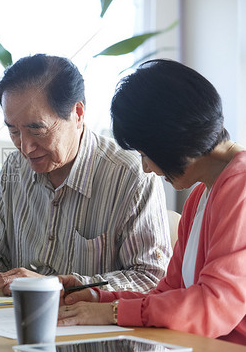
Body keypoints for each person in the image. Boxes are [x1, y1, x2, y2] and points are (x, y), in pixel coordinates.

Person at [0, 54, 172, 294]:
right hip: (12, 319)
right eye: (13, 131)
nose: (25, 147)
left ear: (78, 114)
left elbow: (150, 277)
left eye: (36, 130)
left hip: (91, 326)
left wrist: (55, 286)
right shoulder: (15, 166)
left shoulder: (130, 174)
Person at [56, 59, 246, 345]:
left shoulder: (240, 189)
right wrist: (98, 297)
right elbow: (169, 295)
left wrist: (111, 311)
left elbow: (212, 307)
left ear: (171, 140)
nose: (146, 168)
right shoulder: (201, 195)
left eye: (146, 154)